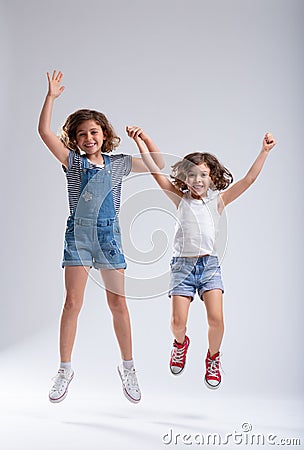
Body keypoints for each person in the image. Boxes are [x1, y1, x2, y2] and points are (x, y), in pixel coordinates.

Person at [38, 70, 164, 404]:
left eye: (94, 131)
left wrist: (144, 140)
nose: (88, 138)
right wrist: (50, 97)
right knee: (72, 303)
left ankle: (129, 367)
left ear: (104, 133)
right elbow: (43, 132)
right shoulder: (73, 163)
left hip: (109, 238)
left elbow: (158, 165)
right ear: (75, 140)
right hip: (78, 237)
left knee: (117, 303)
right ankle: (64, 369)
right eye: (82, 134)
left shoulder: (119, 163)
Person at [126, 126, 276, 389]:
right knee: (177, 323)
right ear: (184, 178)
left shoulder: (218, 201)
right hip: (182, 267)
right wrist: (142, 142)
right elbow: (153, 169)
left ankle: (213, 358)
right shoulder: (179, 198)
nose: (197, 180)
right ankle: (181, 344)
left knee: (216, 320)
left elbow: (248, 180)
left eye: (203, 175)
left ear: (212, 178)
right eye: (192, 174)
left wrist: (263, 151)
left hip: (209, 266)